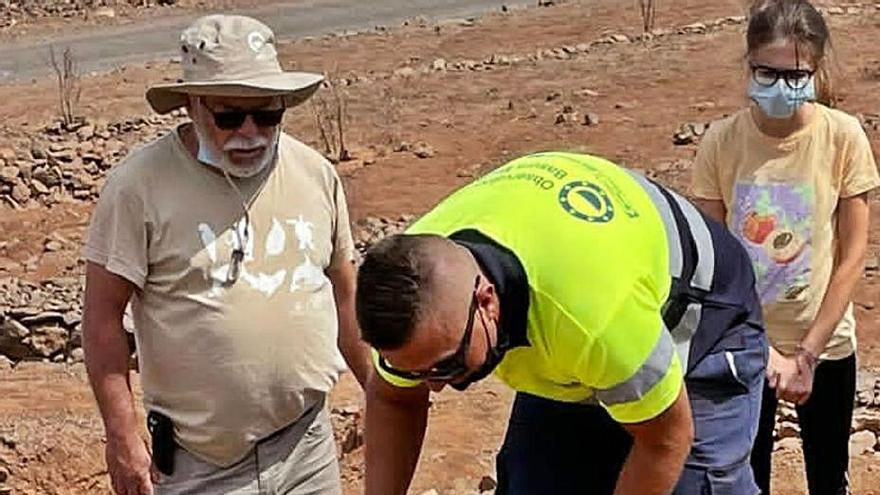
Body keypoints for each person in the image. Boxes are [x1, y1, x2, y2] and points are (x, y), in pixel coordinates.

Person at [355, 151, 769, 495]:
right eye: (414, 371)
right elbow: (394, 399)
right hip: (573, 332)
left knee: (694, 487)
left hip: (702, 318)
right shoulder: (407, 289)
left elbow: (665, 440)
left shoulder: (591, 315)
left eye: (445, 366)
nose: (435, 386)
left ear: (486, 301)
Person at [82, 14, 369, 495]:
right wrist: (122, 437)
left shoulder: (315, 173)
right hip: (201, 463)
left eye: (268, 114)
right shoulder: (138, 188)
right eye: (231, 115)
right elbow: (101, 316)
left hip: (307, 445)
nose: (251, 132)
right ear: (194, 105)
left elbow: (345, 295)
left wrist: (382, 392)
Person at [690, 1, 880, 493]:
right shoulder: (721, 141)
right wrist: (764, 348)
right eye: (766, 73)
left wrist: (808, 355)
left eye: (794, 75)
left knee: (828, 475)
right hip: (744, 345)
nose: (780, 86)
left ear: (816, 71)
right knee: (742, 475)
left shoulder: (842, 137)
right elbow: (714, 259)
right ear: (749, 66)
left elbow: (853, 254)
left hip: (827, 345)